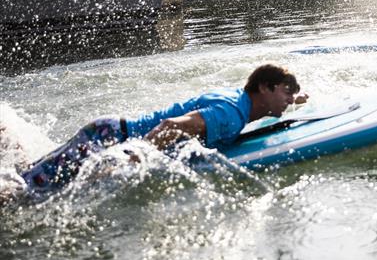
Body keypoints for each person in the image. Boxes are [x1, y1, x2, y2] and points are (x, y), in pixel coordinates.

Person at [17, 64, 307, 196]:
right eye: (286, 92)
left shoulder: (243, 102)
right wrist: (129, 162)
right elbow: (170, 127)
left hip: (106, 131)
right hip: (106, 139)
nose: (290, 99)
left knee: (31, 177)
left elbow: (264, 106)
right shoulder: (229, 114)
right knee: (26, 193)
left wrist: (294, 100)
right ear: (264, 88)